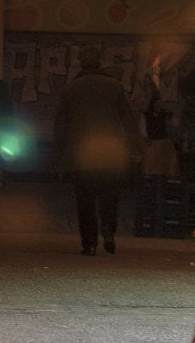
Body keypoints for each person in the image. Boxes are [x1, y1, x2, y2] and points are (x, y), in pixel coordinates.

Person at [51, 45, 143, 256]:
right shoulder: (114, 86)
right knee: (110, 195)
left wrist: (60, 153)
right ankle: (108, 227)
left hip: (81, 155)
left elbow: (60, 125)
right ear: (100, 63)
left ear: (81, 63)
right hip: (111, 154)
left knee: (85, 201)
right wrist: (137, 147)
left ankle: (89, 243)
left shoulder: (70, 88)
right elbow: (128, 120)